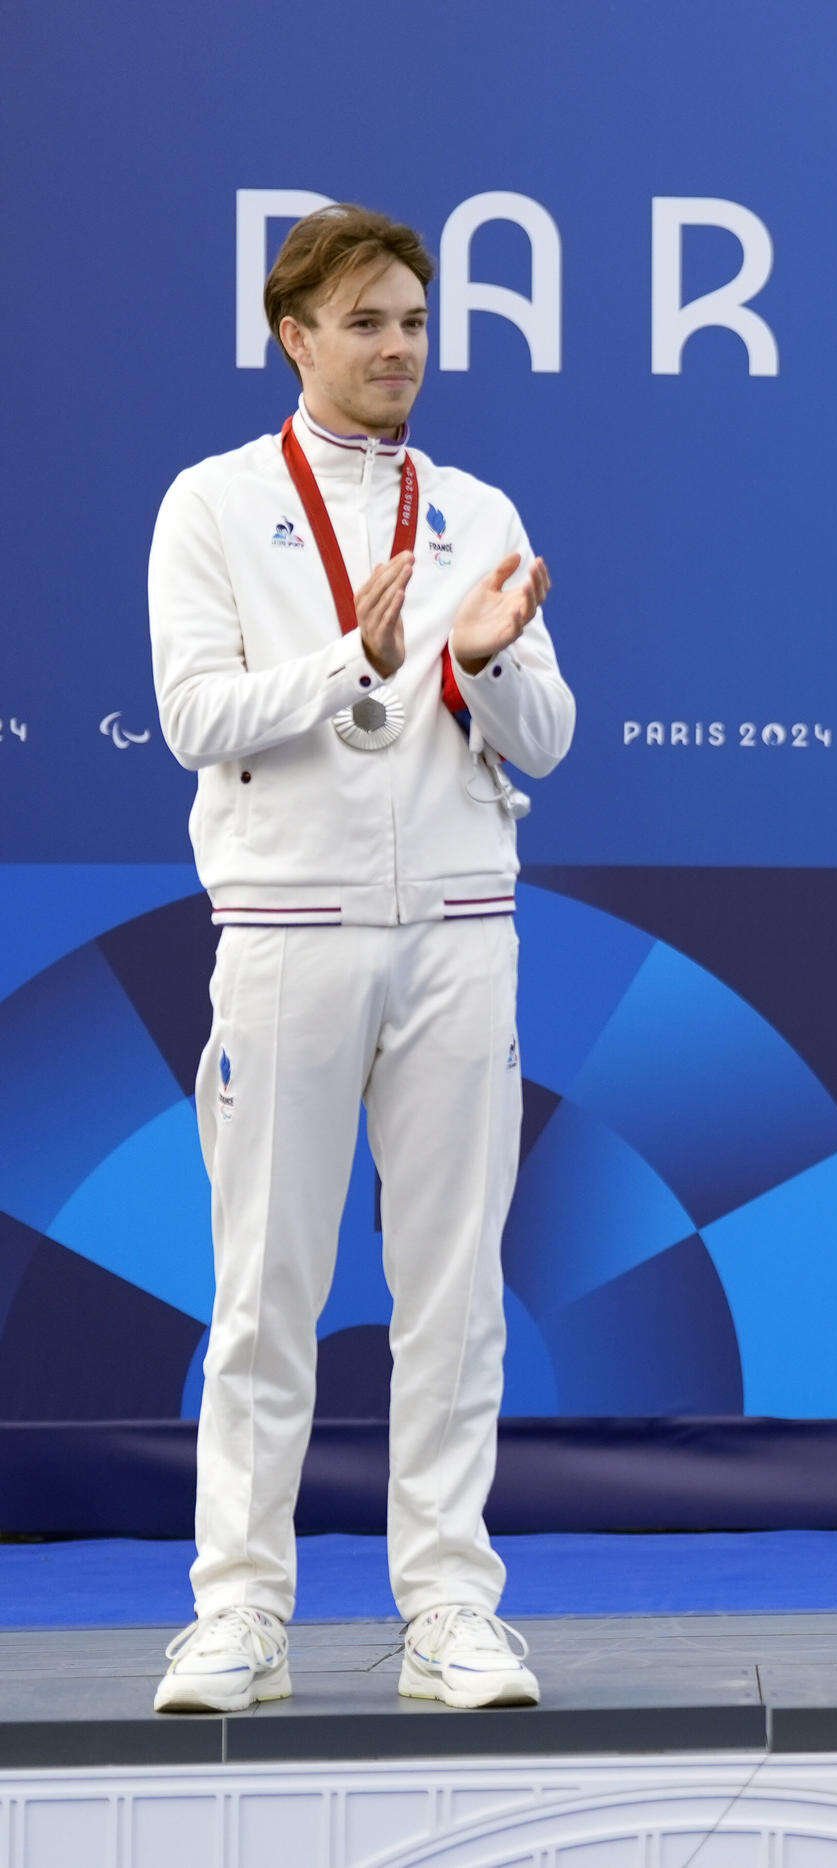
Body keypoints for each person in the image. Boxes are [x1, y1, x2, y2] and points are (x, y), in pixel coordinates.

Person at [146, 205, 572, 1710]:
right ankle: (239, 1614)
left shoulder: (476, 507)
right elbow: (196, 717)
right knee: (266, 1291)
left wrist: (484, 658)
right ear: (297, 338)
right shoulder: (212, 504)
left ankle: (451, 1608)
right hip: (286, 934)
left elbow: (548, 739)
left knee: (453, 1294)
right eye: (366, 324)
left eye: (414, 321)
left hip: (462, 933)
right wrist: (361, 659)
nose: (398, 348)